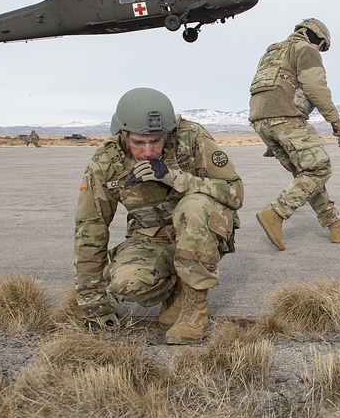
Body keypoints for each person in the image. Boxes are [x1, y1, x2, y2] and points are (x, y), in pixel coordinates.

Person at [73, 87, 243, 344]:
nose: (149, 151)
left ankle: (194, 308)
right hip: (153, 236)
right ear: (122, 134)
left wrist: (173, 178)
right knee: (125, 285)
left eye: (156, 141)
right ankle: (177, 291)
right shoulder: (106, 161)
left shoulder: (191, 138)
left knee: (194, 206)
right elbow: (90, 228)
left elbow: (235, 193)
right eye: (138, 143)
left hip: (202, 230)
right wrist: (93, 304)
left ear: (169, 133)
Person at [249, 18, 340, 250]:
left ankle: (334, 225)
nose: (320, 50)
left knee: (306, 175)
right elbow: (315, 86)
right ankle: (276, 214)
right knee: (319, 168)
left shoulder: (273, 51)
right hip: (285, 118)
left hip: (261, 120)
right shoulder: (305, 50)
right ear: (316, 38)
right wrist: (334, 119)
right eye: (321, 45)